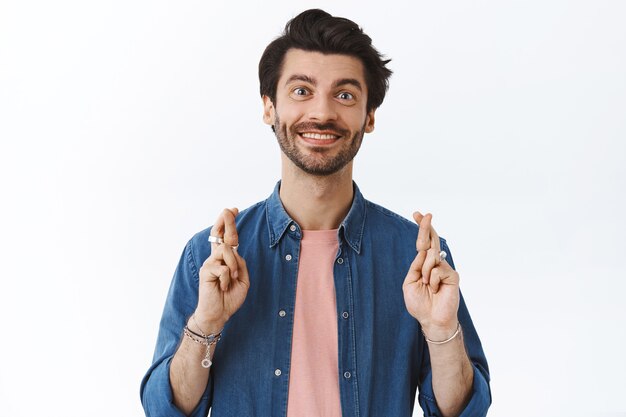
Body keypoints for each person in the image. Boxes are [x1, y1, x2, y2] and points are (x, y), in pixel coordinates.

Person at [140, 8, 491, 417]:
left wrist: (440, 330)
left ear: (370, 116)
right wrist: (206, 325)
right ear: (269, 107)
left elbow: (462, 411)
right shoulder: (208, 257)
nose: (322, 113)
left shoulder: (413, 257)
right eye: (301, 91)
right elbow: (165, 410)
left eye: (344, 95)